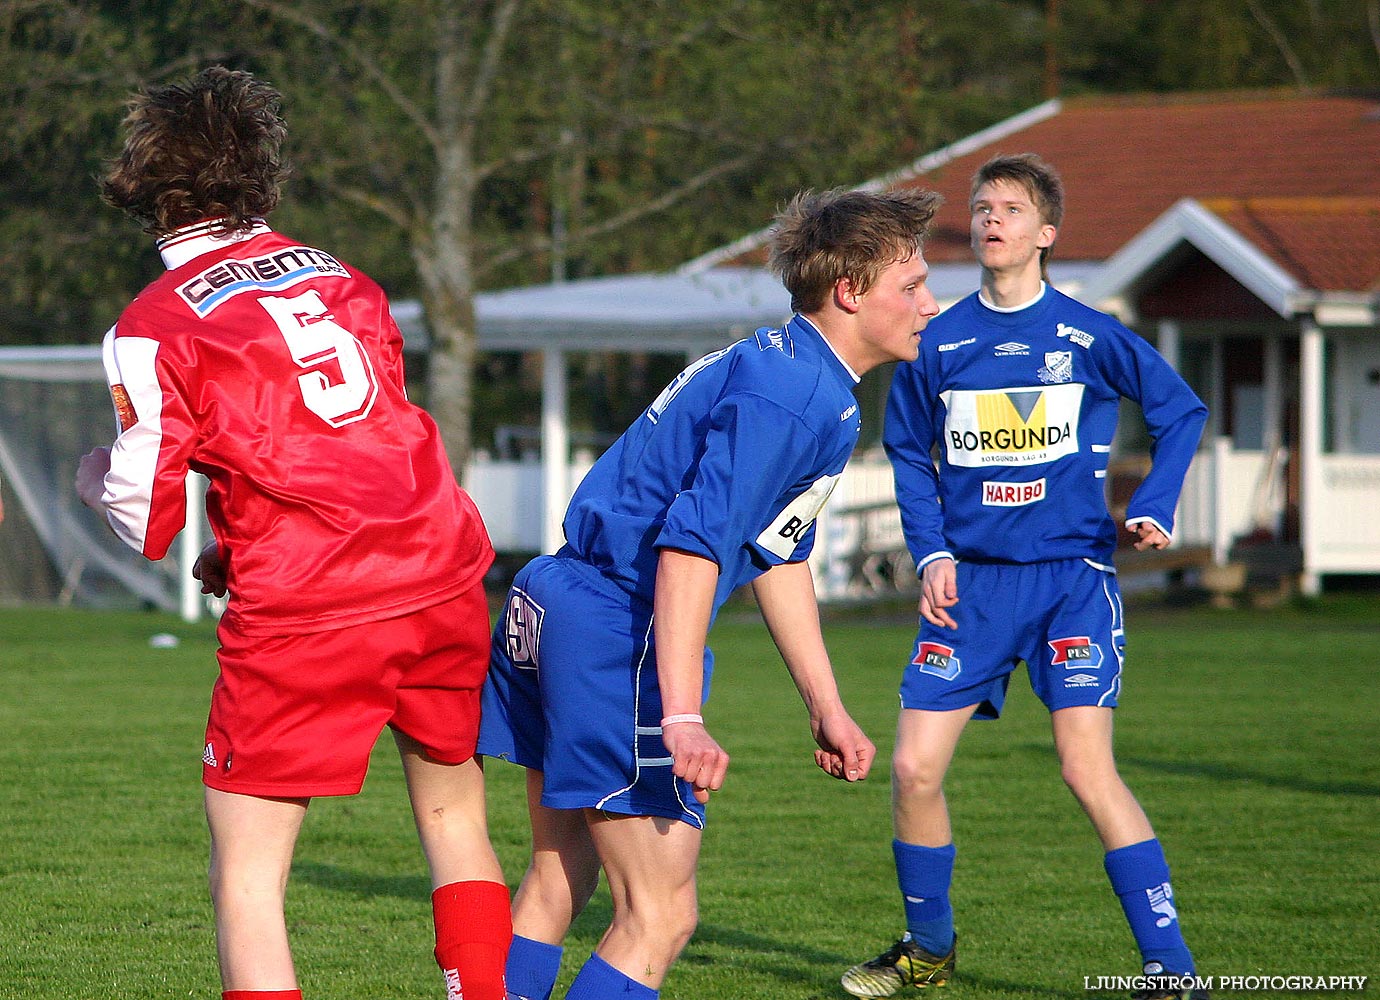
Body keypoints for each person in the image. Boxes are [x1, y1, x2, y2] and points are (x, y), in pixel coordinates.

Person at [75, 67, 510, 1000]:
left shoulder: (151, 325)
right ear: (261, 174)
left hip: (311, 610)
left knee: (249, 875)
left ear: (145, 185)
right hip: (440, 572)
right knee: (454, 820)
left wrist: (89, 480)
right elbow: (351, 444)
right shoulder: (345, 276)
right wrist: (236, 543)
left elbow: (140, 515)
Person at [478, 186, 943, 1000]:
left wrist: (824, 703)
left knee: (559, 883)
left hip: (553, 600)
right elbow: (691, 546)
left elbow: (775, 552)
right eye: (911, 287)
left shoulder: (792, 367)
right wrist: (682, 714)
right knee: (660, 915)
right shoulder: (798, 397)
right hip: (614, 626)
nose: (929, 305)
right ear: (850, 292)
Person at [841, 154, 1210, 1000]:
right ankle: (928, 951)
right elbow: (906, 451)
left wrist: (1153, 501)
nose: (990, 219)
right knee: (911, 771)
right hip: (971, 587)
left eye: (1010, 208)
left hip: (1070, 580)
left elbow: (1181, 408)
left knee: (1086, 770)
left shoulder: (1088, 334)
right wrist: (931, 552)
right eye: (981, 208)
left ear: (1046, 235)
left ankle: (1172, 971)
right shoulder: (939, 340)